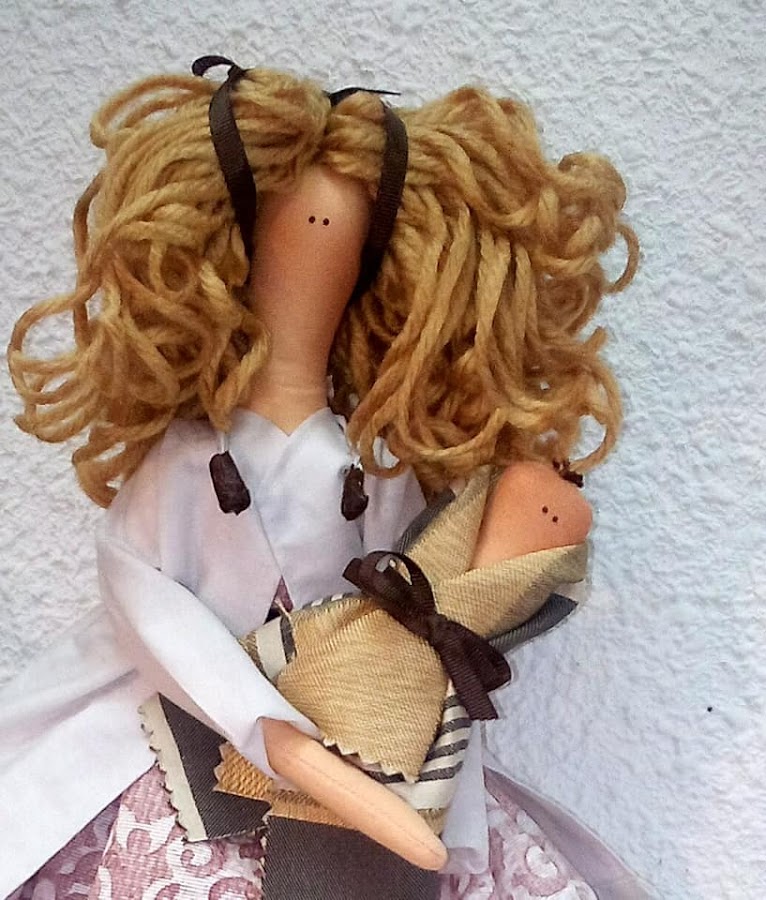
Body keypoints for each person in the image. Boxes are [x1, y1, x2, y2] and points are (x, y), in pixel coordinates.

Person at [2, 59, 645, 899]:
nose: (314, 252)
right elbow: (143, 602)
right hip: (196, 731)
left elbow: (424, 620)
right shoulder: (188, 455)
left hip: (366, 745)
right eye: (302, 225)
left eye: (335, 233)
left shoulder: (379, 463)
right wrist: (274, 734)